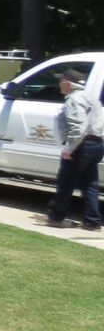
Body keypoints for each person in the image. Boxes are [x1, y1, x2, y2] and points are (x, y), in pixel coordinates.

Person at [43, 68, 102, 231]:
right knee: (90, 184)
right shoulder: (91, 98)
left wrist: (69, 149)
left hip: (82, 145)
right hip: (97, 143)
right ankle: (92, 221)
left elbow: (79, 128)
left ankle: (56, 217)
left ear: (67, 83)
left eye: (60, 81)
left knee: (66, 182)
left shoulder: (74, 99)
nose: (59, 85)